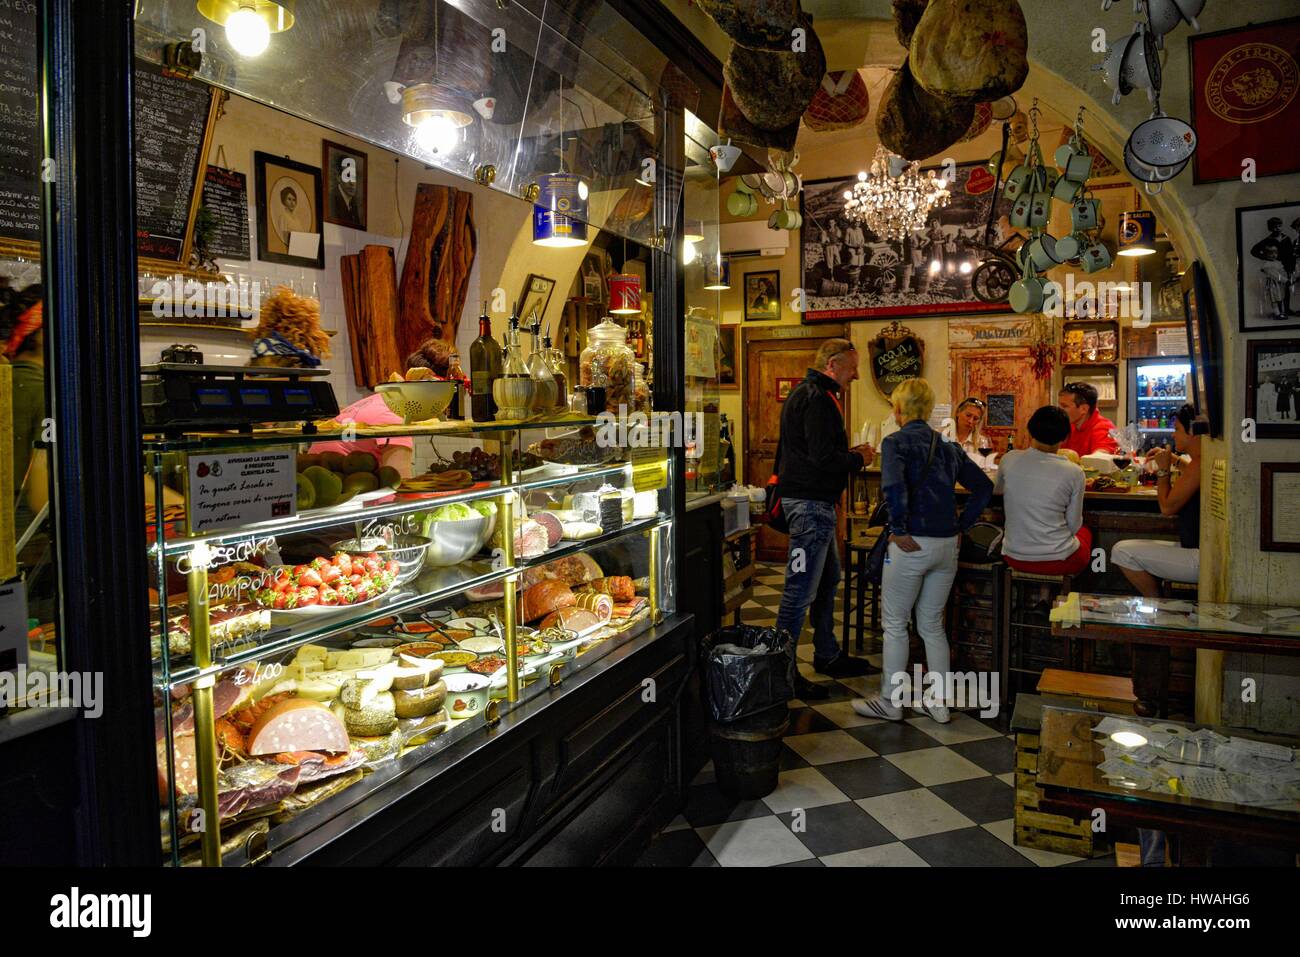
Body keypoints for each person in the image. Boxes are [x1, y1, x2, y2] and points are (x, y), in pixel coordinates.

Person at [852, 377, 994, 723]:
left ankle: (891, 700)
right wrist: (961, 526)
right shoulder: (947, 445)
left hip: (911, 543)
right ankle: (939, 702)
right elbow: (984, 487)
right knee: (932, 624)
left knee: (896, 624)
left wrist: (898, 529)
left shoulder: (896, 443)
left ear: (898, 409)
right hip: (947, 544)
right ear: (928, 410)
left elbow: (894, 489)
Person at [773, 338, 876, 698]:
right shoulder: (817, 398)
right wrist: (858, 458)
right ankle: (780, 673)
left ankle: (827, 654)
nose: (857, 374)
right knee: (798, 591)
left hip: (813, 504)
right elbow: (821, 458)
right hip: (810, 507)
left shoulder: (811, 393)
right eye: (852, 367)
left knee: (830, 578)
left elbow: (814, 452)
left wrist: (848, 454)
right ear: (833, 364)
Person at [309, 338, 452, 478]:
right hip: (332, 492)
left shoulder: (382, 401)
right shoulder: (394, 418)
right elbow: (399, 484)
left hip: (318, 485)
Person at [1111, 404, 1201, 596]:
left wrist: (1163, 470)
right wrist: (1175, 459)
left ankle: (1158, 607)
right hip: (1197, 548)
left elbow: (1167, 507)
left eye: (1177, 429)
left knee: (1122, 552)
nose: (1173, 435)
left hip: (1200, 558)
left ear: (1192, 431)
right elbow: (1191, 476)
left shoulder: (1199, 464)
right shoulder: (1200, 461)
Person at [996, 406, 1091, 576]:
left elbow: (997, 490)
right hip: (1058, 559)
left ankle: (1043, 595)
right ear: (1065, 436)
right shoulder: (1075, 472)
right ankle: (1065, 598)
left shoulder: (1009, 459)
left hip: (1013, 556)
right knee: (1086, 533)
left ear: (1030, 430)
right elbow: (1074, 525)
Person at [1250, 216, 1298, 316]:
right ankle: (1279, 310)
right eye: (1274, 226)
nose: (1277, 228)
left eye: (1279, 226)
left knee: (1286, 288)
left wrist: (1292, 266)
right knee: (1278, 288)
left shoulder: (1286, 238)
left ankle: (1286, 309)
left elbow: (1291, 253)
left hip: (1287, 266)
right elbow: (1254, 250)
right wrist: (1266, 257)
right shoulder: (1268, 240)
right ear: (1270, 228)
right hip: (1276, 267)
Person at [1058, 381, 1119, 456]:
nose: (1059, 410)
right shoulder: (1070, 425)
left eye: (1064, 406)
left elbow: (1100, 458)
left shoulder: (1104, 428)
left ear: (1084, 409)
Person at [949, 396, 994, 469]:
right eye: (968, 415)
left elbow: (986, 469)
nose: (970, 421)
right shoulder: (941, 436)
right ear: (958, 412)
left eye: (975, 418)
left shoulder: (981, 442)